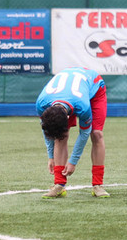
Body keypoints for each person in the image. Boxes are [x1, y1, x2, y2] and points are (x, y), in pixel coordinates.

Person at [36, 67, 109, 198]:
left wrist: (73, 161)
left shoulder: (82, 106)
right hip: (67, 94)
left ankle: (98, 185)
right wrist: (50, 157)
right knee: (60, 137)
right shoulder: (42, 104)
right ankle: (59, 185)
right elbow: (48, 131)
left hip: (94, 87)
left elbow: (84, 134)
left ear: (69, 118)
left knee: (96, 134)